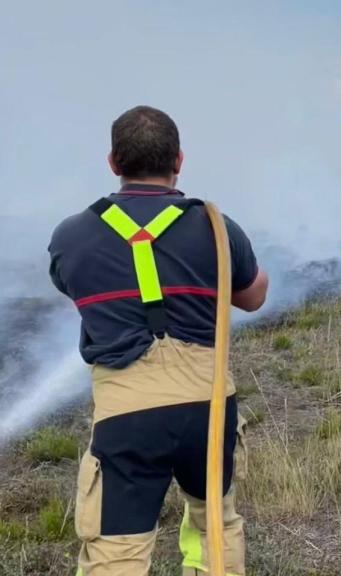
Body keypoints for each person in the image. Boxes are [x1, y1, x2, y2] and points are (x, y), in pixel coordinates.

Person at [48, 105, 269, 576]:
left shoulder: (71, 235)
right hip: (208, 407)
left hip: (126, 414)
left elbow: (76, 290)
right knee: (215, 531)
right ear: (179, 160)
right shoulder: (216, 225)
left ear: (113, 162)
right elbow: (253, 297)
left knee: (117, 550)